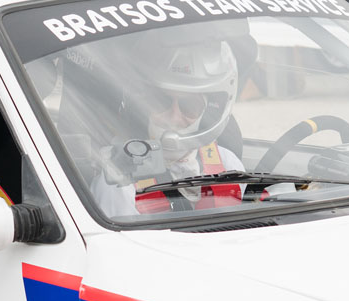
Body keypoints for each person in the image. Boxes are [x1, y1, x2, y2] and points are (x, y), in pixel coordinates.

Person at [89, 37, 245, 217]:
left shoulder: (226, 164)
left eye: (189, 106)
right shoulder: (118, 181)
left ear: (207, 113)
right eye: (160, 102)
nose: (174, 117)